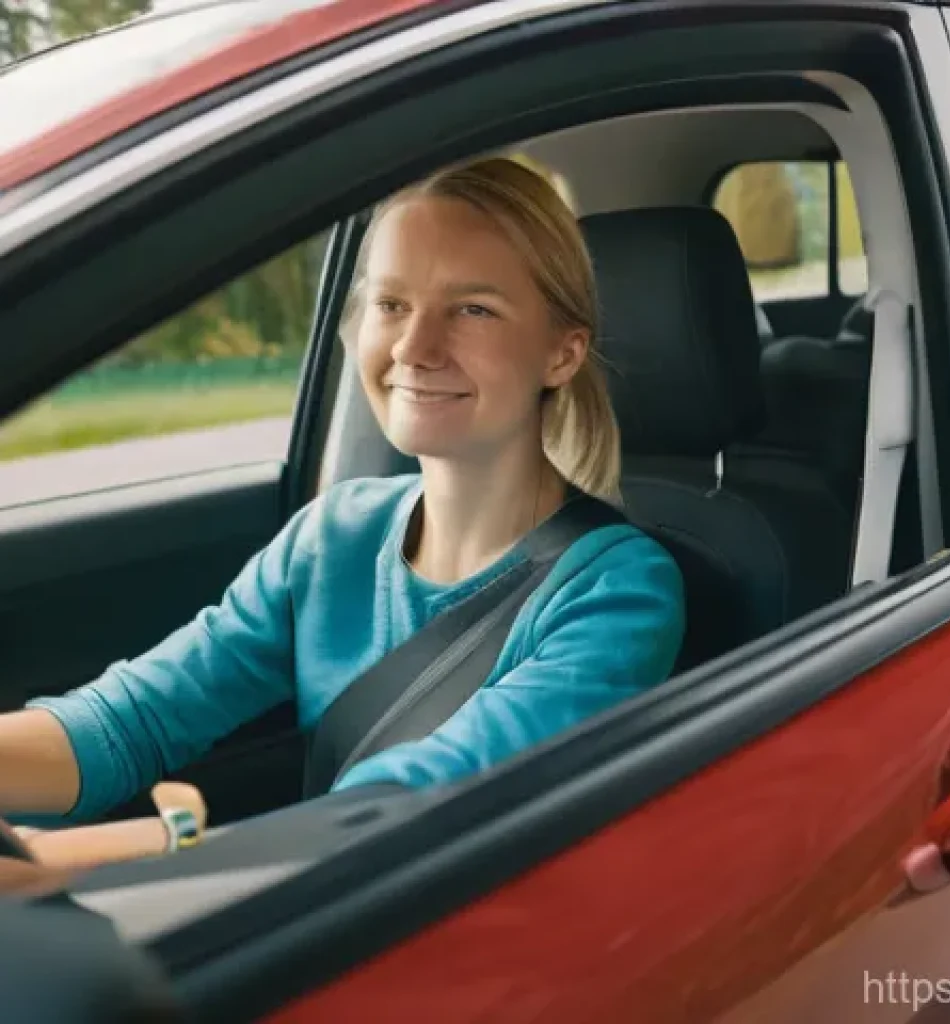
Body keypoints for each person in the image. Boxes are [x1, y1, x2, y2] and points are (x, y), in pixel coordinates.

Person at [0, 156, 685, 845]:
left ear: (561, 355)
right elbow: (134, 720)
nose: (415, 348)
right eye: (391, 305)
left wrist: (67, 860)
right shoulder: (334, 536)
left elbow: (393, 814)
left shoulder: (618, 592)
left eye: (472, 309)